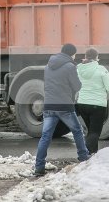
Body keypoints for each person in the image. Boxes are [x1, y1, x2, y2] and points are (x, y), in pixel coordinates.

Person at [34, 43, 89, 176]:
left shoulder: (48, 66)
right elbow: (77, 86)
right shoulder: (70, 66)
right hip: (64, 106)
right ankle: (83, 157)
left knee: (46, 136)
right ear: (71, 54)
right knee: (77, 130)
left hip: (49, 106)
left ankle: (39, 167)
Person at [75, 48, 109, 154]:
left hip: (82, 104)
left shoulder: (78, 69)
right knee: (95, 132)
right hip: (97, 105)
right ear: (97, 57)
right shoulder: (101, 69)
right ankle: (84, 153)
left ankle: (93, 153)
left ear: (85, 56)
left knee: (91, 131)